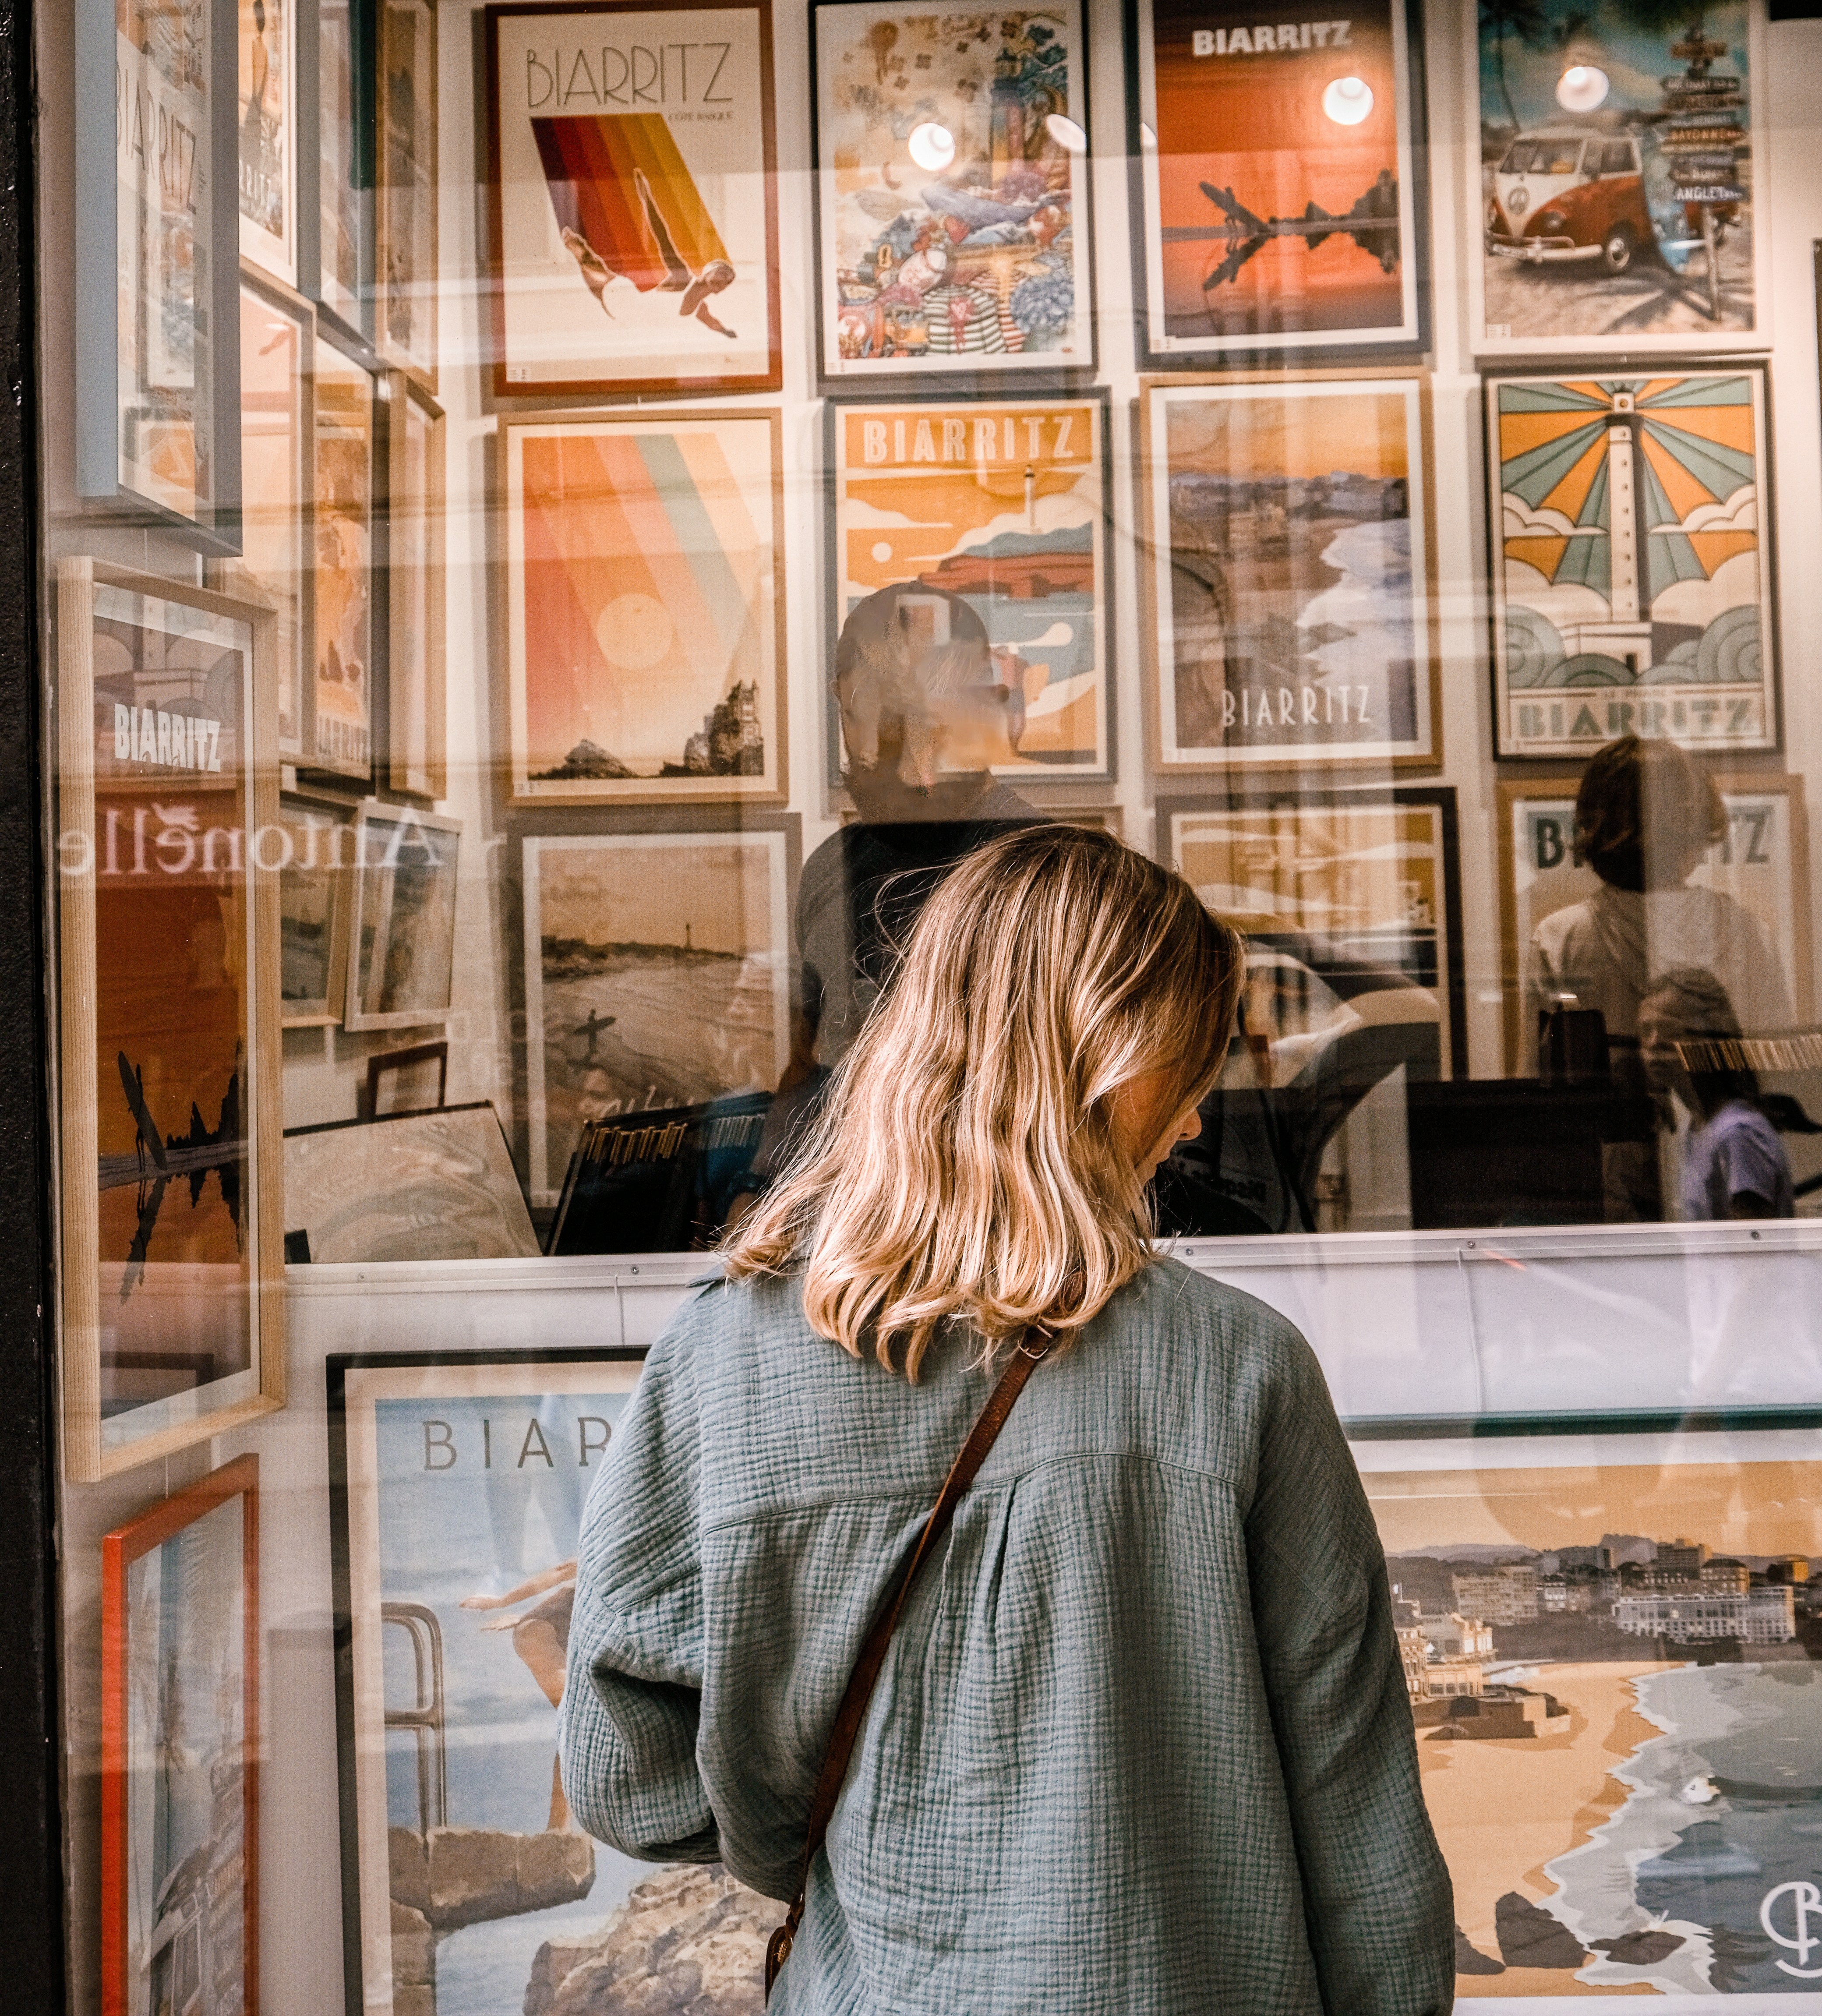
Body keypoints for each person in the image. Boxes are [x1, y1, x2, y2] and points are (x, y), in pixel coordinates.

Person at [560, 826, 1456, 2014]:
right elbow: (1362, 1828)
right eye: (1184, 1078)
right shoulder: (1242, 1369)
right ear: (1110, 1063)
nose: (1191, 1128)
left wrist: (856, 1810)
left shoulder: (719, 1360)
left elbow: (634, 1781)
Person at [728, 582, 1047, 1218]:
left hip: (998, 1228)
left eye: (927, 716)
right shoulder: (832, 868)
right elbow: (811, 1064)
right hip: (850, 1228)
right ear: (842, 705)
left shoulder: (1044, 869)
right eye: (876, 717)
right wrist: (761, 1191)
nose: (910, 765)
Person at [1525, 734, 1793, 1219]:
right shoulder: (1744, 931)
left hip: (1611, 1192)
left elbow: (1545, 1099)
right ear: (1692, 826)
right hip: (1726, 1184)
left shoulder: (1560, 938)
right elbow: (1777, 1080)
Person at [1638, 966, 1794, 1221]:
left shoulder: (1738, 1135)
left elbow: (1753, 1255)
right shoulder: (1701, 1124)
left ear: (1706, 1039)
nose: (1654, 1043)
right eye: (1646, 1031)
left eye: (1669, 1030)